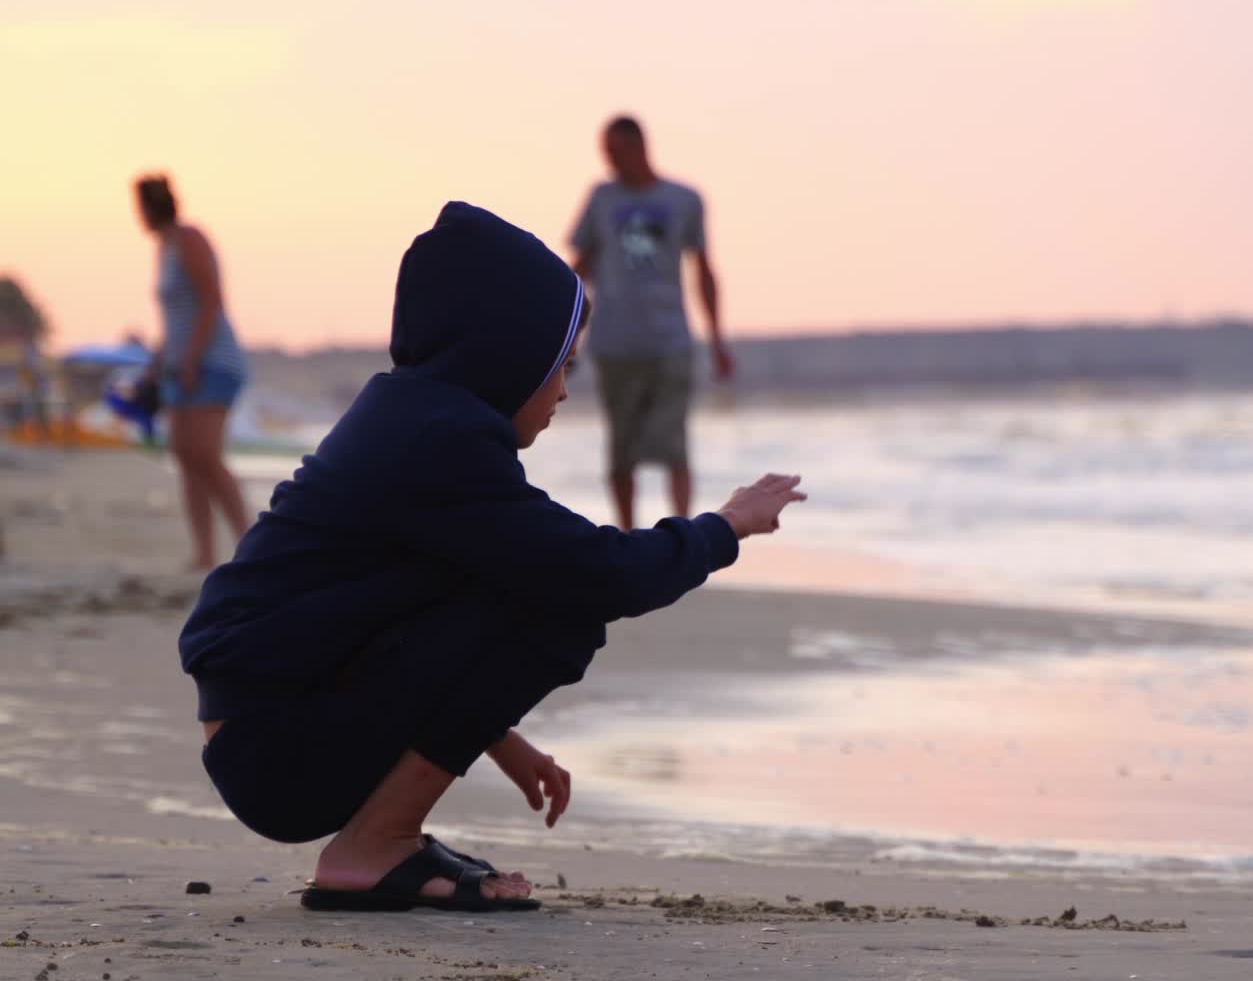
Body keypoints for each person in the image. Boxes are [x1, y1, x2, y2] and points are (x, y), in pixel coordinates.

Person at [178, 202, 803, 914]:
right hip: (277, 750)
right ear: (506, 356)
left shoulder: (413, 417)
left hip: (271, 725)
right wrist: (726, 527)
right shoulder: (439, 441)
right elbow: (597, 574)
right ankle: (376, 843)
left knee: (525, 584)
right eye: (560, 367)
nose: (566, 390)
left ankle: (384, 836)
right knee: (562, 609)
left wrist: (504, 743)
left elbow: (402, 606)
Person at [570, 115, 733, 530]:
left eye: (616, 150)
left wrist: (717, 341)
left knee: (674, 444)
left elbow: (703, 270)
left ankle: (683, 537)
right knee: (621, 450)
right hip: (614, 342)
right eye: (605, 152)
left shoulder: (683, 198)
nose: (610, 160)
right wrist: (561, 328)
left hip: (670, 340)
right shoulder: (601, 199)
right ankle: (627, 536)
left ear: (640, 146)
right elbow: (580, 267)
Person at [134, 175, 250, 570]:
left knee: (205, 455)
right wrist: (156, 364)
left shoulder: (190, 239)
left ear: (151, 206)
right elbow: (174, 319)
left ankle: (250, 545)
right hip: (179, 365)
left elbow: (211, 301)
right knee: (185, 456)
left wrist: (191, 359)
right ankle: (204, 553)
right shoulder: (164, 247)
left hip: (212, 362)